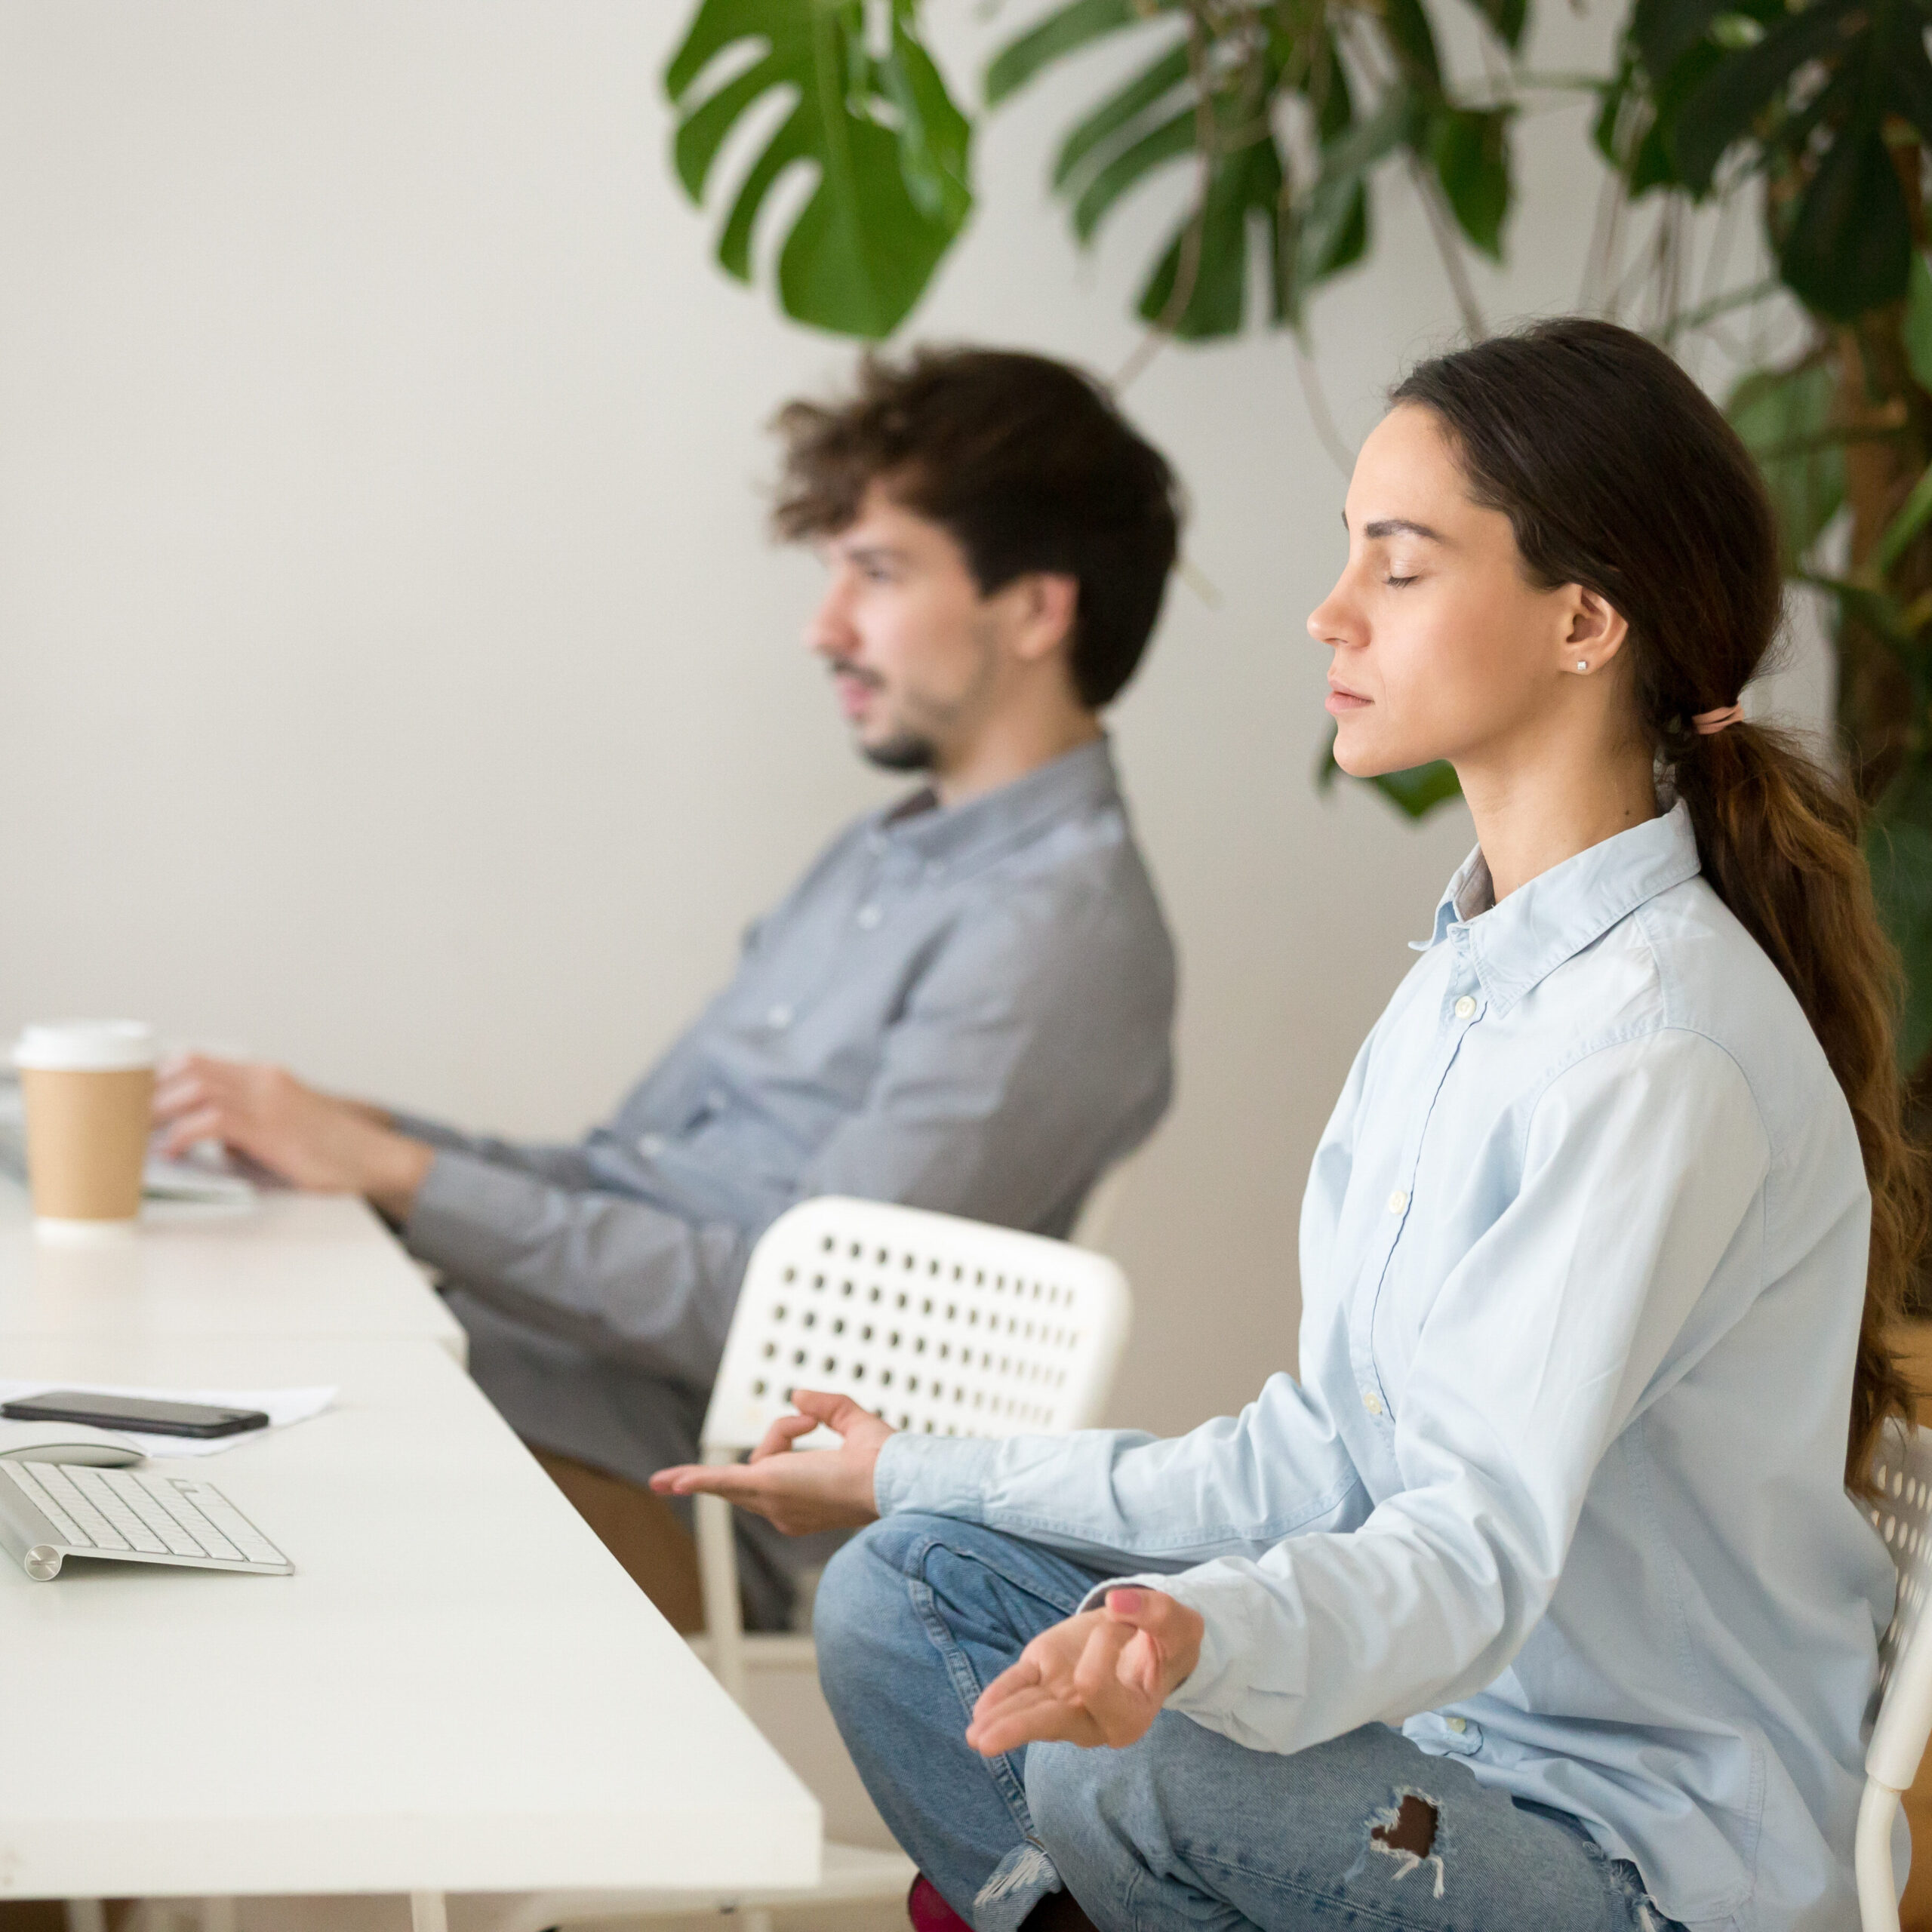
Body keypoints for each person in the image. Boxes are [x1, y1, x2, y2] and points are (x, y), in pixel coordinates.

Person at [652, 316, 1927, 1932]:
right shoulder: (1470, 977)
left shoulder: (1654, 1049)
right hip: (1433, 1750)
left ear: (1583, 618)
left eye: (1396, 568)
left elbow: (1466, 1551)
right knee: (903, 1586)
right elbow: (1317, 1454)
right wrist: (906, 1462)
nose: (1327, 613)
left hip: (1617, 1850)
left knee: (1136, 1763)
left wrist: (1194, 1640)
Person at [153, 346, 1183, 1631]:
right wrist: (351, 1137)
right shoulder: (881, 858)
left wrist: (400, 1178)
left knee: (208, 1484)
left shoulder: (1059, 938)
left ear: (1036, 611)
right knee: (155, 1381)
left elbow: (809, 1338)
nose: (825, 629)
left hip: (693, 1502)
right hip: (556, 1389)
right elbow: (623, 1171)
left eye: (877, 572)